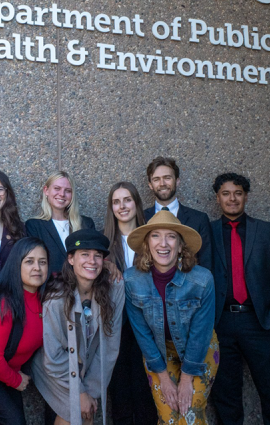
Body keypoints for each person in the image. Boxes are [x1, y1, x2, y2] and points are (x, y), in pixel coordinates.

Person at [209, 173, 270, 425]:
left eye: (238, 193)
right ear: (217, 198)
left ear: (246, 196)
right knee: (226, 400)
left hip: (261, 323)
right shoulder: (207, 232)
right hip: (221, 324)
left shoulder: (267, 231)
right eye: (226, 193)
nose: (232, 199)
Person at [124, 210, 218, 425]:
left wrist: (186, 378)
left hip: (199, 350)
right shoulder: (131, 280)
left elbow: (201, 332)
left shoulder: (202, 280)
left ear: (181, 245)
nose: (163, 243)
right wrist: (164, 378)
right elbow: (142, 333)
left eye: (171, 236)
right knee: (169, 418)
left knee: (189, 416)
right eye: (156, 235)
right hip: (157, 352)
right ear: (147, 244)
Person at [31, 229, 124, 425]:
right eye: (85, 254)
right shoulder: (56, 299)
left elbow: (109, 347)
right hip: (54, 367)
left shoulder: (114, 288)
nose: (92, 261)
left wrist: (91, 389)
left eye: (97, 256)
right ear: (71, 259)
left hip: (86, 365)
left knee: (86, 411)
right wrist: (81, 392)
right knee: (78, 411)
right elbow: (53, 356)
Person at [0, 237, 49, 425]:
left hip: (9, 376)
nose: (37, 267)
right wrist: (16, 380)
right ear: (16, 264)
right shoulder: (2, 302)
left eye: (42, 262)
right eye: (29, 261)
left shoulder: (44, 297)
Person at [102, 182, 157, 425]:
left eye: (127, 200)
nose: (122, 206)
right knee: (121, 398)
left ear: (137, 203)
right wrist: (104, 263)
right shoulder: (103, 244)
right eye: (116, 201)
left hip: (149, 328)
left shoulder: (152, 238)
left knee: (147, 399)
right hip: (115, 329)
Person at [143, 157, 213, 270]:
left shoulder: (199, 219)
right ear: (150, 185)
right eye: (156, 179)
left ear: (177, 181)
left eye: (167, 178)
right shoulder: (141, 218)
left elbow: (206, 263)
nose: (162, 184)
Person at [24, 171, 96, 276]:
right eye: (57, 188)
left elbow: (93, 257)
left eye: (67, 191)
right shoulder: (34, 226)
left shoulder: (85, 224)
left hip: (82, 288)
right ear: (46, 190)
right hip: (51, 289)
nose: (62, 194)